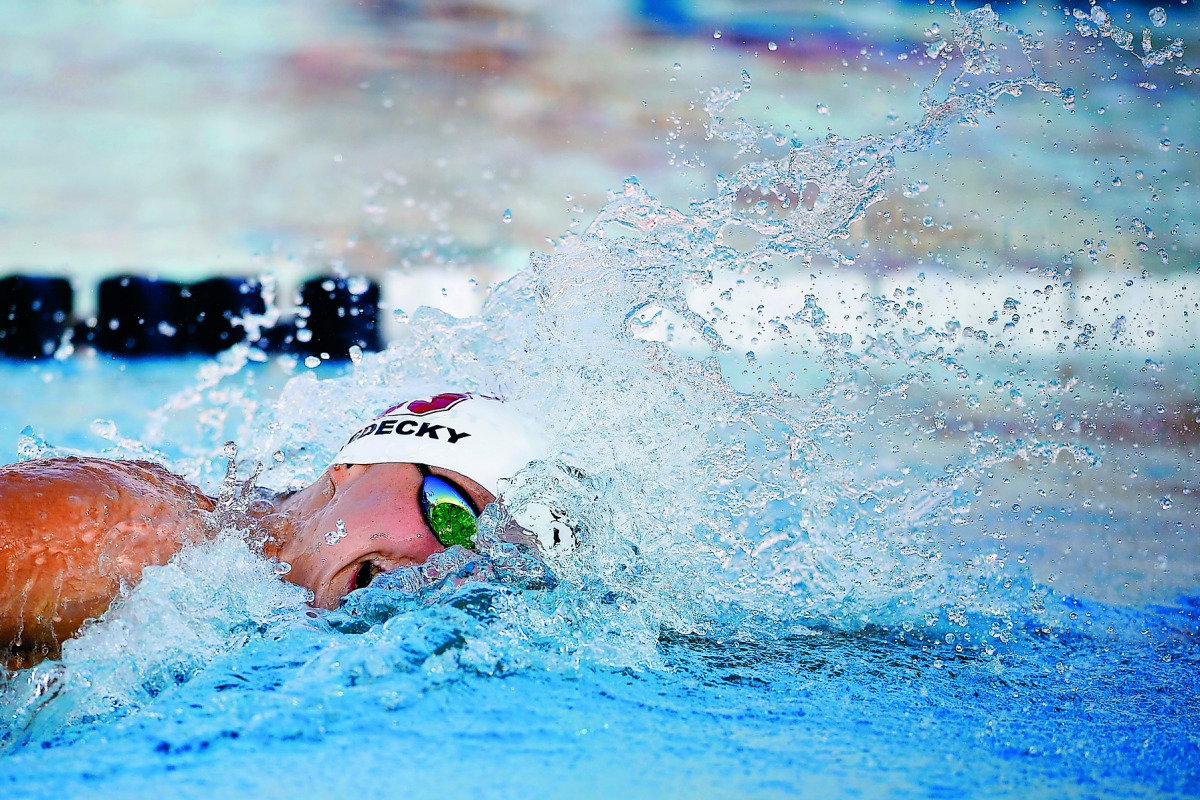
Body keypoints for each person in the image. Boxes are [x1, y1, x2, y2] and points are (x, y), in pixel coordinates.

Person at [0, 392, 560, 671]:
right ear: (352, 469)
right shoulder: (133, 530)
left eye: (488, 561)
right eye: (453, 514)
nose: (446, 567)